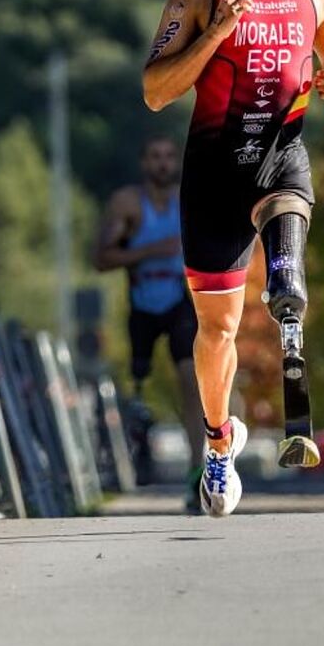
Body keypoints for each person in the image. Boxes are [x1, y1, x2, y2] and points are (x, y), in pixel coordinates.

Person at [142, 0, 324, 516]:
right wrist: (215, 34)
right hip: (212, 176)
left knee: (288, 217)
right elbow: (155, 90)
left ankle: (286, 289)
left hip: (281, 158)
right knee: (217, 331)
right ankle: (219, 442)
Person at [93, 133, 205, 511]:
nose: (162, 163)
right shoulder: (128, 204)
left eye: (168, 157)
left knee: (191, 379)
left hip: (178, 300)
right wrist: (150, 250)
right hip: (142, 303)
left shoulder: (187, 199)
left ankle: (197, 468)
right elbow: (103, 258)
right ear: (144, 163)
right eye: (155, 156)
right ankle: (129, 456)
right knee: (135, 384)